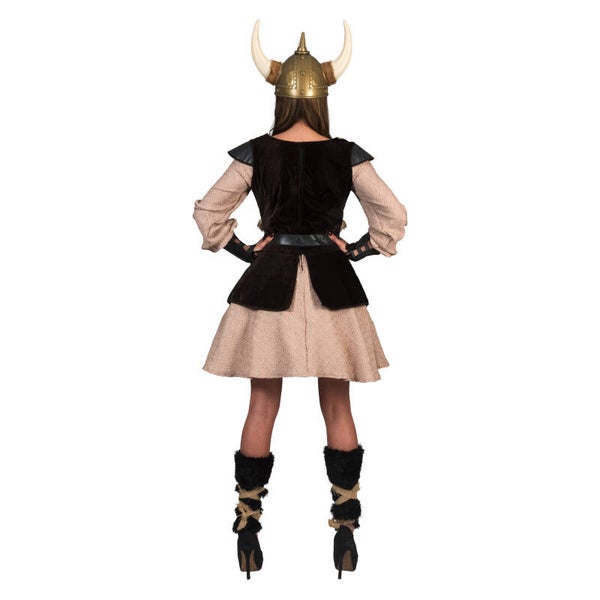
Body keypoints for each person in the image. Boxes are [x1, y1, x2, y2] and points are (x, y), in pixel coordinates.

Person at [192, 20, 407, 579]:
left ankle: (248, 526)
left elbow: (208, 212)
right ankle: (346, 531)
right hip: (333, 289)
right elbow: (394, 217)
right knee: (337, 406)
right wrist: (357, 249)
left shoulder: (256, 153)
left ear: (280, 97)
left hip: (271, 289)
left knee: (262, 405)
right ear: (322, 99)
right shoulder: (346, 154)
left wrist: (244, 249)